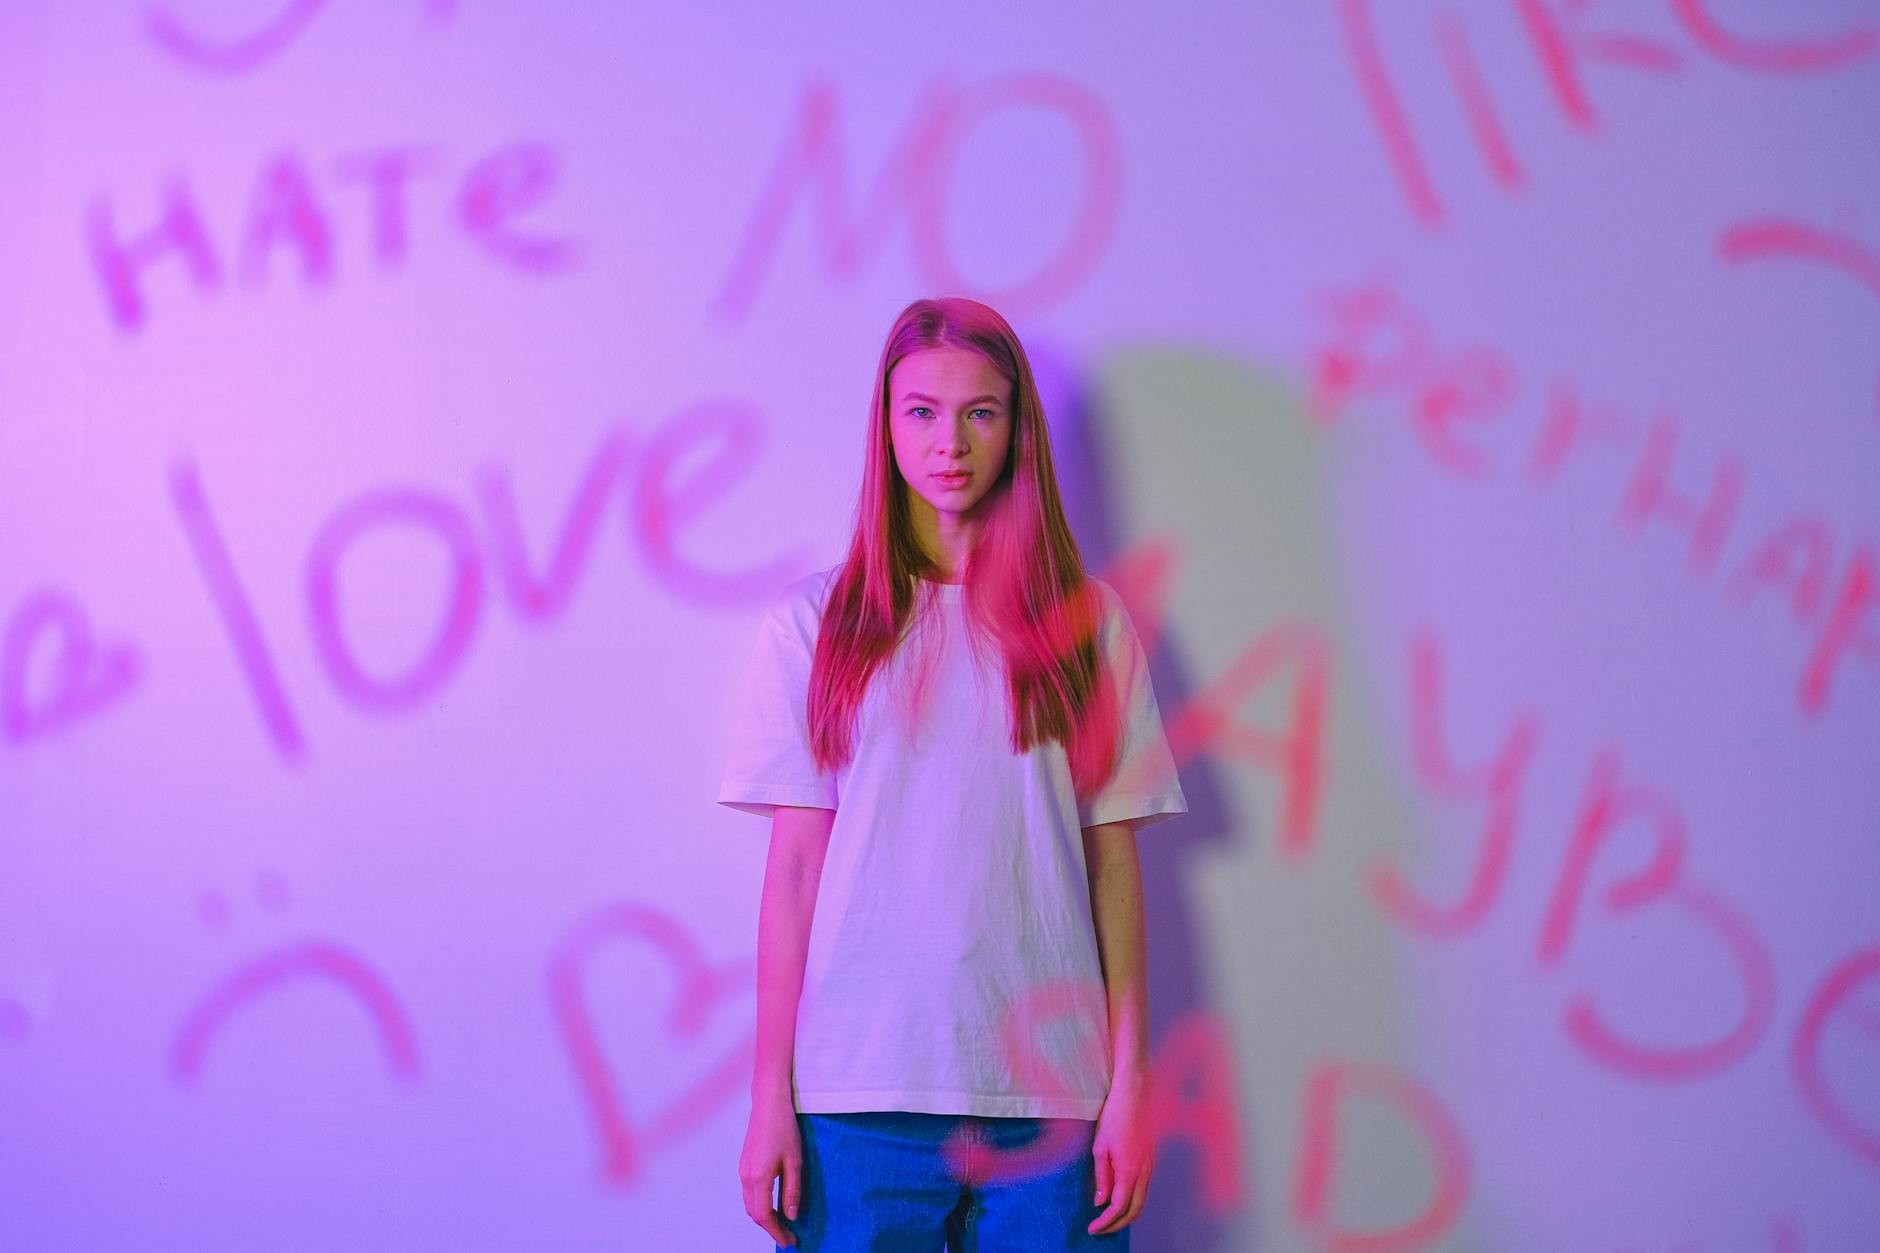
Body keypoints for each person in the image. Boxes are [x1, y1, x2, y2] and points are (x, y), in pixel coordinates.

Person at [719, 296, 1187, 1250]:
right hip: (859, 1094)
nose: (951, 443)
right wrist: (770, 1097)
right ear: (885, 426)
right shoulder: (814, 628)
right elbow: (795, 874)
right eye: (921, 411)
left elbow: (1113, 870)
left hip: (1055, 1101)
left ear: (1018, 428)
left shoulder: (1086, 625)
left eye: (982, 411)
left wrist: (1131, 1087)